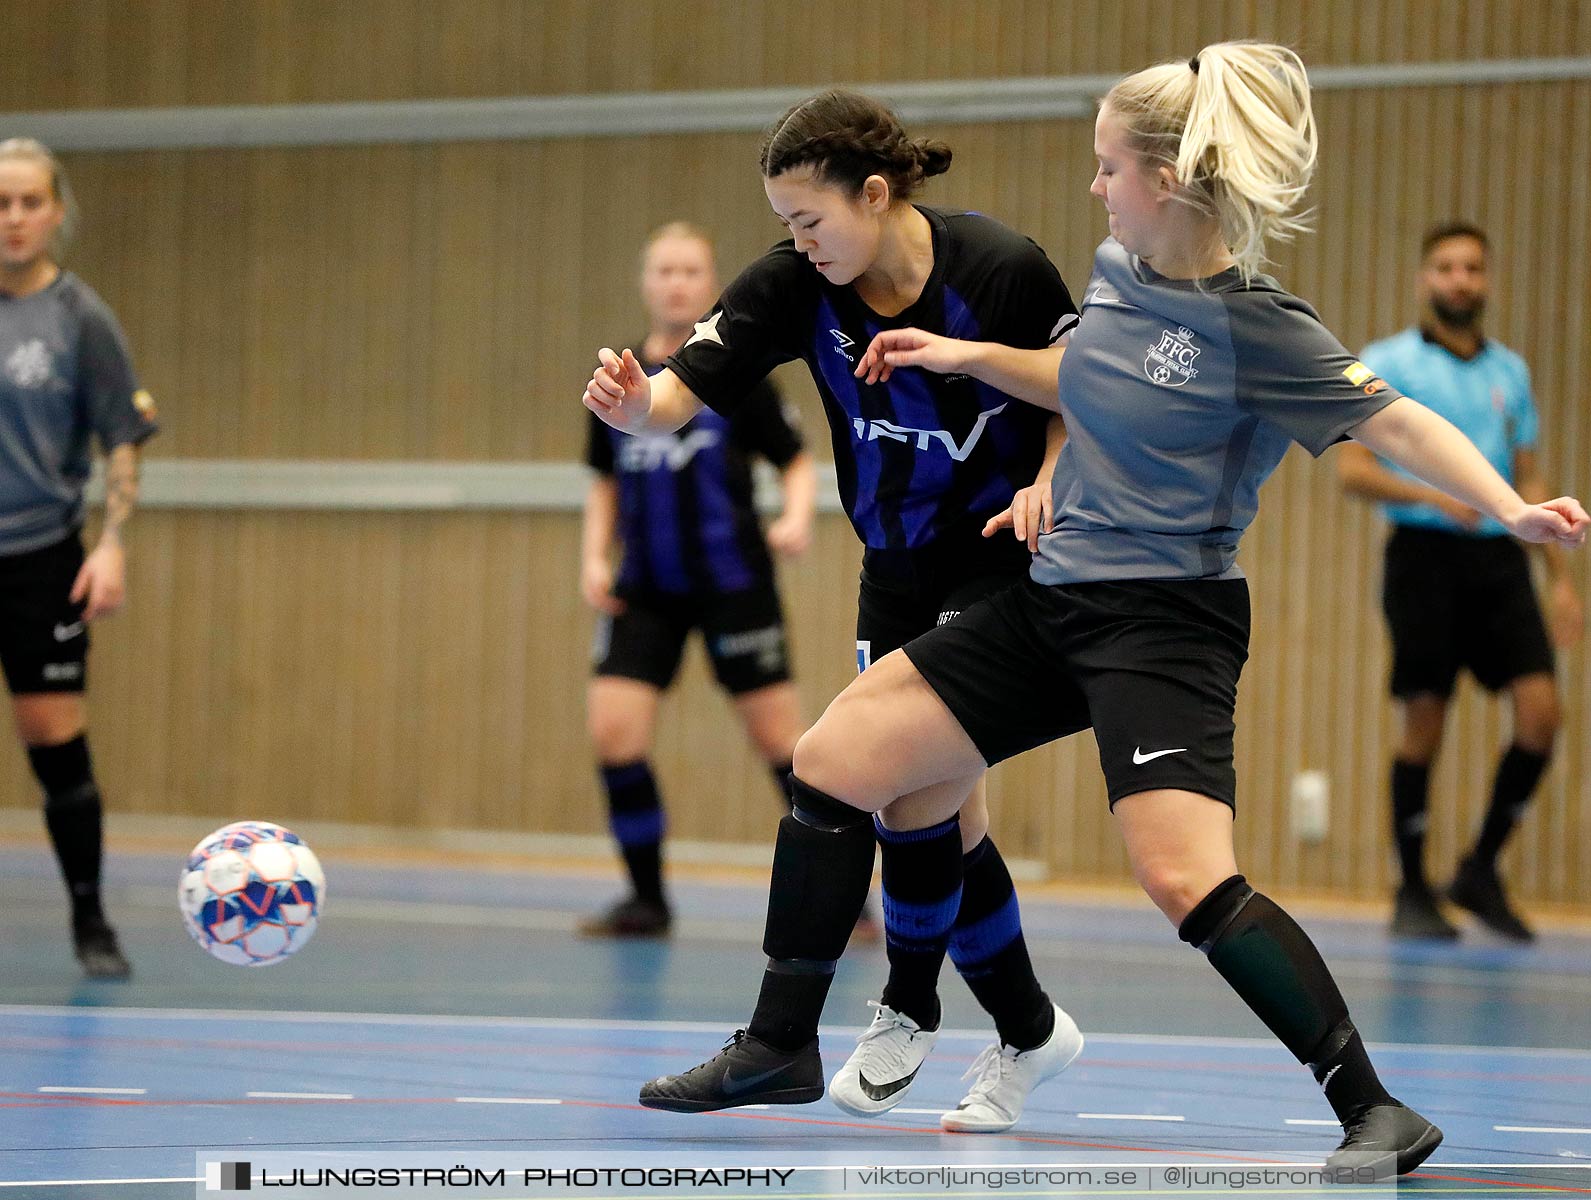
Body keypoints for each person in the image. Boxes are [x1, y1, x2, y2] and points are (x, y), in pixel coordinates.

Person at [627, 44, 1588, 1175]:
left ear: (1168, 180)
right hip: (1051, 598)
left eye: (1105, 168)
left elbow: (1395, 422)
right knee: (835, 758)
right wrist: (967, 355)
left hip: (1165, 621)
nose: (1092, 188)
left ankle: (1372, 1104)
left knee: (1182, 876)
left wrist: (1509, 508)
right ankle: (781, 1043)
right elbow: (1079, 374)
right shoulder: (1119, 270)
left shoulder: (1257, 325)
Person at [583, 89, 1084, 1128]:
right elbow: (682, 390)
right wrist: (639, 407)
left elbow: (1078, 388)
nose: (798, 243)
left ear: (873, 193)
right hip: (893, 569)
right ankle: (1029, 1030)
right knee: (939, 813)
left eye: (811, 221)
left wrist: (1049, 478)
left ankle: (875, 1012)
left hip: (997, 562)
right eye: (784, 225)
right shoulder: (792, 285)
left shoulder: (997, 266)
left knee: (895, 790)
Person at [1339, 223, 1580, 943]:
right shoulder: (1385, 362)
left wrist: (1560, 577)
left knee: (1540, 715)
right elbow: (1352, 472)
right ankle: (1411, 888)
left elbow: (1527, 475)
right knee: (1426, 717)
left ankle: (1478, 868)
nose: (1459, 280)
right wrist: (1432, 496)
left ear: (1486, 280)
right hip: (1423, 559)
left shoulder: (1509, 372)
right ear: (1424, 279)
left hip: (1499, 563)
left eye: (1471, 267)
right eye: (1445, 267)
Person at [580, 221, 817, 937]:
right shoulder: (618, 380)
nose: (677, 282)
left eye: (690, 271)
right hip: (644, 587)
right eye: (664, 271)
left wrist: (797, 517)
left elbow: (797, 458)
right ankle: (646, 899)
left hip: (733, 584)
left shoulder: (736, 374)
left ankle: (843, 894)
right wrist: (593, 556)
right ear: (646, 284)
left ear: (709, 286)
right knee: (613, 733)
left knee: (783, 743)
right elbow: (602, 478)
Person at [0, 138, 159, 980]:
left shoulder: (78, 316)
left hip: (39, 557)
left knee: (54, 739)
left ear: (56, 211)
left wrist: (112, 543)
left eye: (29, 202)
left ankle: (91, 920)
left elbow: (122, 439)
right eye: (1, 204)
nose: (14, 218)